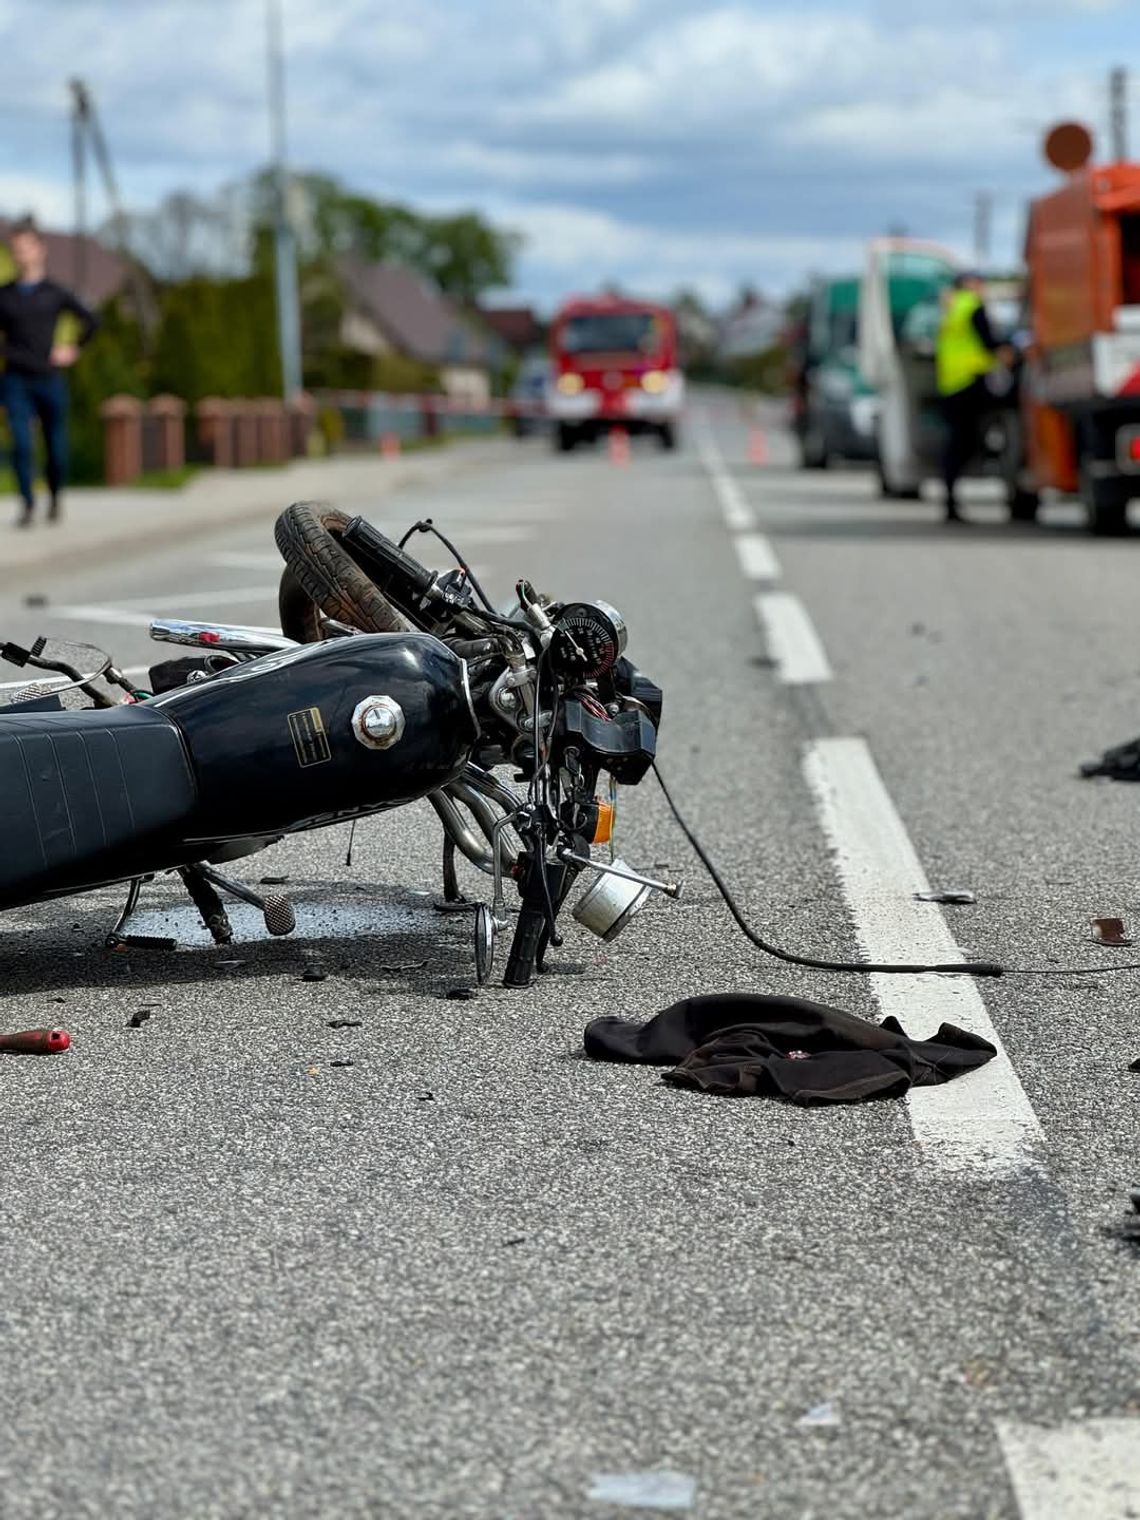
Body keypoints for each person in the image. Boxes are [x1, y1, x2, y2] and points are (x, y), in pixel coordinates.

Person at [0, 216, 99, 527]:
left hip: (48, 378)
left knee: (56, 447)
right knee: (21, 443)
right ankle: (28, 503)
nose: (21, 254)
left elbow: (91, 321)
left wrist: (73, 348)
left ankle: (55, 494)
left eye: (27, 248)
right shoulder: (4, 295)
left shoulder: (55, 292)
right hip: (15, 378)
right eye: (16, 249)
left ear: (40, 250)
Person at [935, 272, 1010, 523]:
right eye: (980, 284)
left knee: (956, 443)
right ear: (969, 285)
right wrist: (1010, 350)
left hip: (950, 384)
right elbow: (989, 343)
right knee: (976, 436)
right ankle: (998, 459)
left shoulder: (951, 308)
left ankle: (950, 497)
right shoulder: (972, 307)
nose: (983, 289)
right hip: (970, 382)